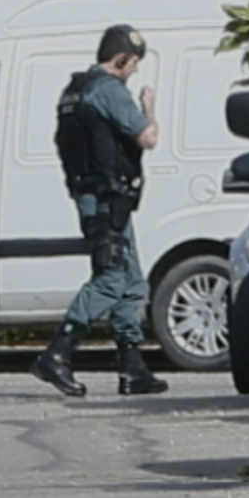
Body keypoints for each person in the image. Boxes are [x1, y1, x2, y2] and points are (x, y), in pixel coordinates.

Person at [34, 23, 170, 398]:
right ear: (121, 59)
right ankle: (57, 353)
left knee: (131, 280)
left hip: (96, 195)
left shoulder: (75, 91)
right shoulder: (108, 91)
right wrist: (149, 109)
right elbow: (148, 136)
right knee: (112, 278)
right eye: (134, 63)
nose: (135, 70)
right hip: (107, 198)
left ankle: (132, 366)